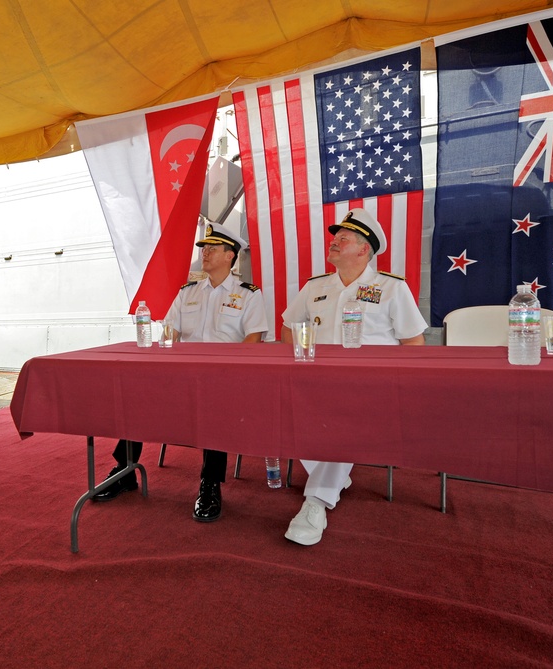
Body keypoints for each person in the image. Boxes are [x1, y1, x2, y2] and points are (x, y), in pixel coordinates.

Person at [93, 222, 269, 522]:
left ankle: (210, 484)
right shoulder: (187, 292)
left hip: (222, 379)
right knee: (139, 397)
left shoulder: (248, 294)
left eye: (213, 248)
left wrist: (229, 374)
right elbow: (170, 333)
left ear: (230, 255)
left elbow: (254, 340)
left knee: (214, 408)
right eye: (204, 248)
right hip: (182, 375)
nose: (206, 253)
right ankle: (125, 471)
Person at [280, 208, 427, 546]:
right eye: (335, 238)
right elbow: (290, 326)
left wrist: (404, 389)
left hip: (371, 388)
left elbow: (414, 343)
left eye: (343, 239)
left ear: (364, 249)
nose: (334, 242)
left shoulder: (390, 288)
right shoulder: (316, 287)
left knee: (340, 423)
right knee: (285, 410)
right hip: (316, 384)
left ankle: (315, 502)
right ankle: (334, 473)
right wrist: (298, 364)